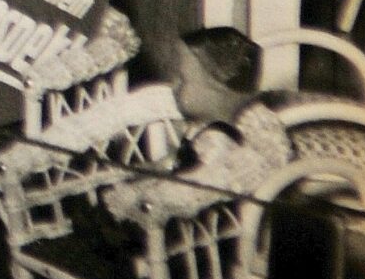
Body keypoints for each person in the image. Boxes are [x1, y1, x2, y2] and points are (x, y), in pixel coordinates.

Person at [100, 27, 292, 223]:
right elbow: (174, 164)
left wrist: (144, 194)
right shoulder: (208, 123)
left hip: (210, 227)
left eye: (183, 79)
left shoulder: (228, 139)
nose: (174, 86)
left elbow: (203, 183)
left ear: (217, 88)